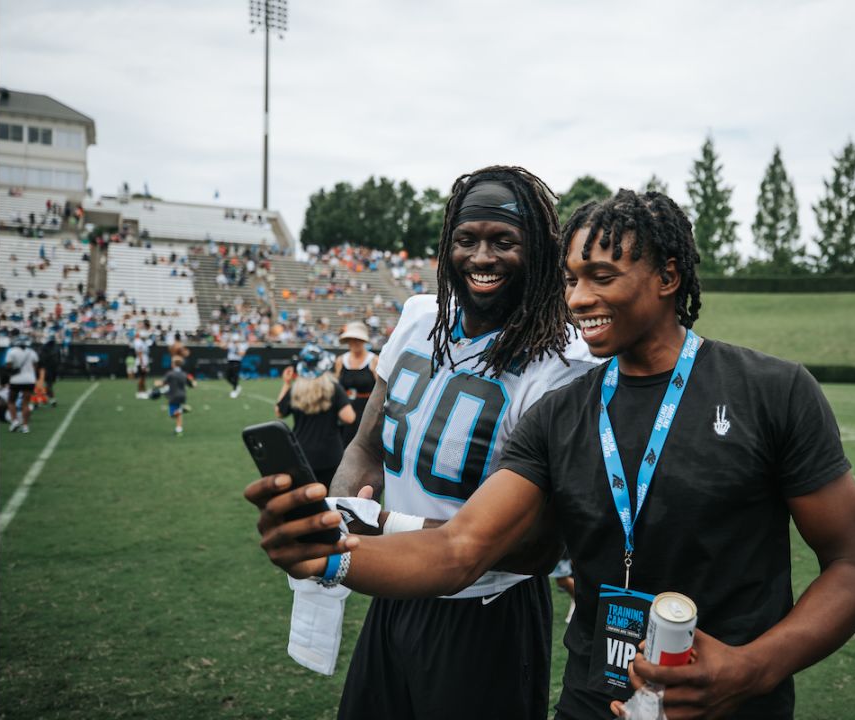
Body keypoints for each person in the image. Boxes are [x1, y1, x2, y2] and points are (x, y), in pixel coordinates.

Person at [247, 189, 855, 720]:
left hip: (731, 705)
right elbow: (461, 549)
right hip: (588, 701)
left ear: (668, 276)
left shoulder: (771, 390)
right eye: (572, 279)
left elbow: (854, 571)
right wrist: (326, 556)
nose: (577, 300)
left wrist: (751, 668)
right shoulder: (561, 410)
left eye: (601, 278)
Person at [249, 166, 600, 719]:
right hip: (395, 592)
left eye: (503, 241)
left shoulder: (566, 364)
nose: (481, 257)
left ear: (539, 251)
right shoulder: (419, 318)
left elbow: (539, 547)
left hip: (487, 611)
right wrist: (343, 513)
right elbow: (366, 445)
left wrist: (388, 528)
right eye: (467, 239)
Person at [276, 343, 358, 486]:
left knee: (307, 499)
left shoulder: (296, 389)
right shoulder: (334, 389)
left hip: (301, 453)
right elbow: (349, 417)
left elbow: (280, 412)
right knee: (330, 500)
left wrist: (287, 383)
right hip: (330, 454)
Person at [332, 321, 378, 450]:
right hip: (345, 410)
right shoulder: (341, 361)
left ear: (364, 341)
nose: (354, 342)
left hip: (367, 412)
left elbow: (380, 390)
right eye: (351, 339)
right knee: (344, 446)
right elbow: (336, 386)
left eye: (357, 339)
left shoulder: (374, 361)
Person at [4, 334, 41, 434]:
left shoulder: (11, 352)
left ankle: (15, 421)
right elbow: (35, 366)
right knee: (26, 403)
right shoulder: (32, 352)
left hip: (15, 380)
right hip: (29, 380)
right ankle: (25, 426)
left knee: (11, 401)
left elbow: (8, 366)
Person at [159, 356, 196, 435]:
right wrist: (193, 383)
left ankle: (181, 410)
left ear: (173, 364)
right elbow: (192, 385)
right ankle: (179, 430)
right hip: (182, 396)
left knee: (172, 414)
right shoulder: (184, 374)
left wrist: (157, 384)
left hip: (173, 396)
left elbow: (162, 383)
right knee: (178, 414)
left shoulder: (170, 374)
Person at [38, 334, 61, 407]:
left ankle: (45, 399)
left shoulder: (53, 348)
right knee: (45, 385)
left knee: (47, 385)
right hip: (47, 369)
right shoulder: (53, 348)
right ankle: (49, 400)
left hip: (49, 369)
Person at [223, 331, 248, 398]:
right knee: (226, 376)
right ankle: (237, 386)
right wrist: (228, 340)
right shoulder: (230, 344)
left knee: (235, 376)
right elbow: (223, 347)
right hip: (230, 361)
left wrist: (238, 346)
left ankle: (235, 390)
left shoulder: (243, 344)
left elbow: (242, 354)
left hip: (237, 361)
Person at [132, 322, 152, 399]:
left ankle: (143, 391)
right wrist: (142, 365)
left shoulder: (143, 342)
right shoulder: (139, 342)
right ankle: (140, 392)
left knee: (143, 377)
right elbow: (140, 354)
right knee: (141, 377)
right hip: (141, 362)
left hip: (144, 362)